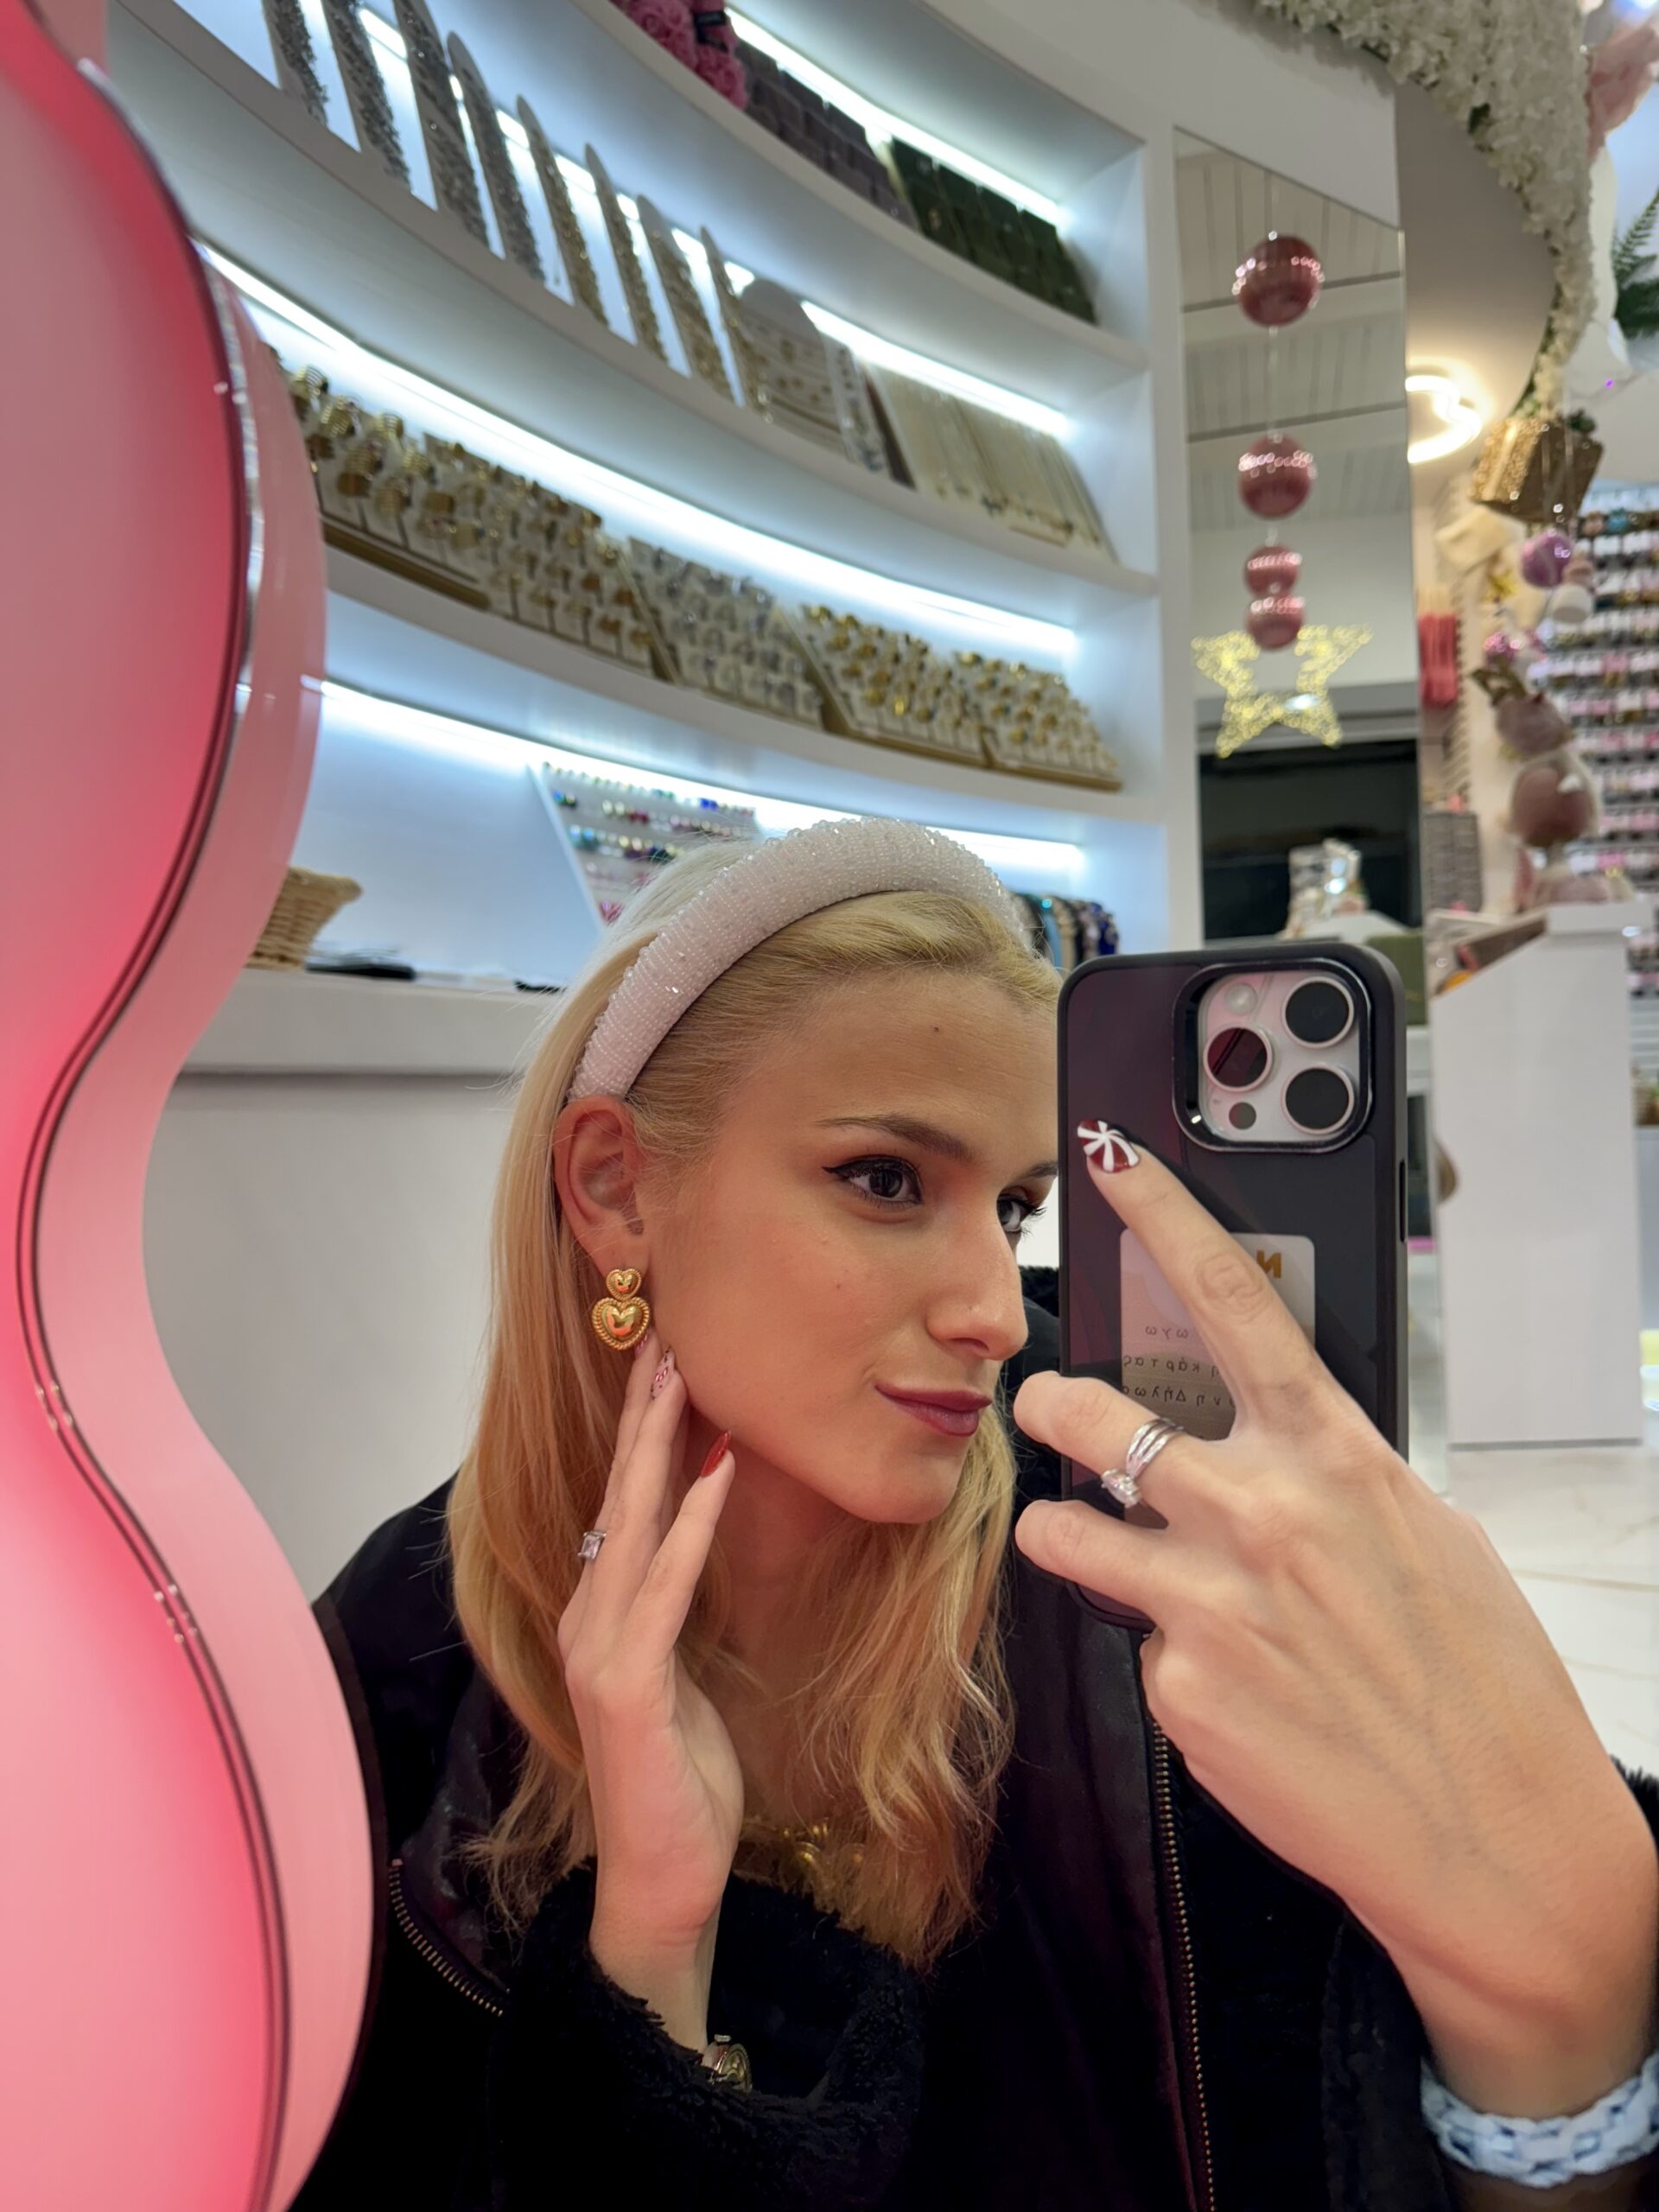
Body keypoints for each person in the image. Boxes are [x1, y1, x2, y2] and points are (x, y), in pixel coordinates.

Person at [296, 819, 1659, 2211]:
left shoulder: (1147, 1586)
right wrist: (652, 1943)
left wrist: (1563, 1973)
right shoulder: (402, 1658)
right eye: (887, 1181)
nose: (997, 1313)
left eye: (1014, 1207)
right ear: (614, 1186)